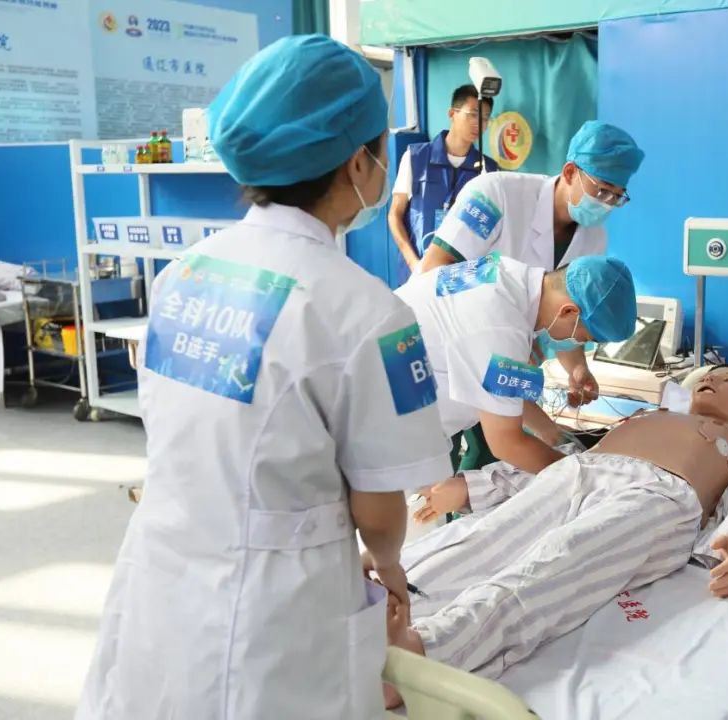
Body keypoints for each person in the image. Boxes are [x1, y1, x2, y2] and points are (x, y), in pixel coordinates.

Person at [75, 36, 452, 720]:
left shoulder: (186, 272)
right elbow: (378, 508)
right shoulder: (369, 314)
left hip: (164, 567)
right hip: (274, 613)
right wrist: (389, 562)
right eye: (379, 147)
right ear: (357, 162)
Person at [390, 365, 728, 682]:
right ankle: (381, 608)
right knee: (487, 538)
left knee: (558, 561)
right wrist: (473, 486)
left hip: (661, 494)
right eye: (707, 375)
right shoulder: (647, 416)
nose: (710, 379)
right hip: (581, 471)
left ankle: (428, 649)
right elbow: (562, 460)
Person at [418, 120, 644, 468]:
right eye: (602, 191)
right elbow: (436, 270)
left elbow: (572, 306)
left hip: (497, 352)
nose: (607, 204)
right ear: (570, 172)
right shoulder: (495, 195)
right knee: (439, 459)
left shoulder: (593, 238)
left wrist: (576, 368)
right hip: (441, 353)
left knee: (487, 462)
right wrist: (581, 476)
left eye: (618, 196)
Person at [395, 252, 637, 474]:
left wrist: (552, 433)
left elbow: (502, 390)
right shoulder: (503, 327)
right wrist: (585, 477)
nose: (576, 343)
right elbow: (507, 443)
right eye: (583, 338)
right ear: (568, 312)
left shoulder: (505, 273)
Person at [388, 84, 499, 275]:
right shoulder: (415, 157)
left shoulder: (488, 170)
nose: (478, 124)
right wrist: (413, 263)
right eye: (472, 114)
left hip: (460, 278)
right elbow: (395, 215)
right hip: (415, 272)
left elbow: (491, 232)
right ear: (452, 113)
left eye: (485, 118)